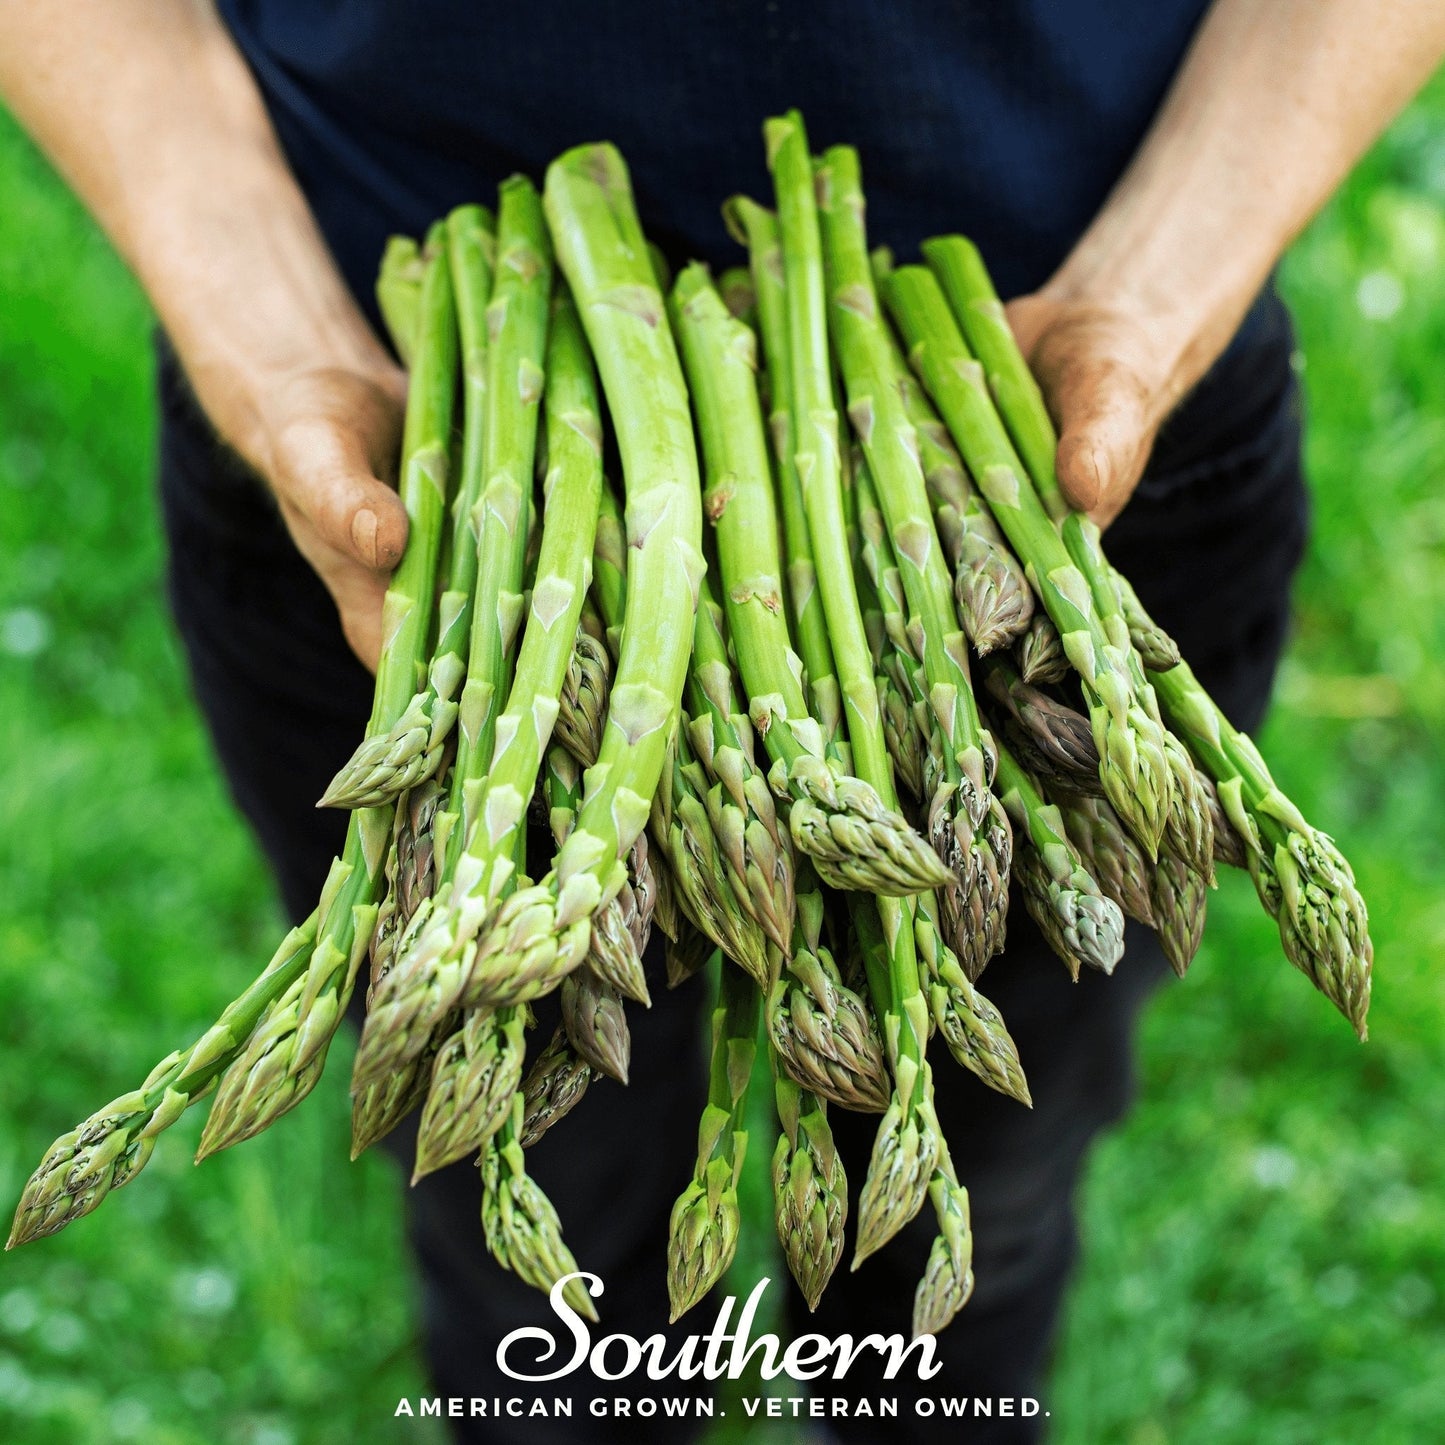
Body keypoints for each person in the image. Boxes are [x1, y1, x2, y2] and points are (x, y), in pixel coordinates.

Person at [2, 3, 1440, 1440]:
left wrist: (1156, 291)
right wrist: (264, 335)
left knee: (970, 1208)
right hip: (410, 489)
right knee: (537, 1260)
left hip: (1036, 470)